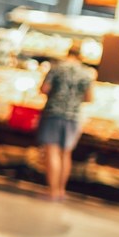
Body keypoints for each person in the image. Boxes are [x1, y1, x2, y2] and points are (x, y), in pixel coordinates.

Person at [36, 43, 96, 202]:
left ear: (68, 52)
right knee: (66, 153)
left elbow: (44, 89)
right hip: (74, 117)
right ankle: (61, 190)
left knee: (52, 151)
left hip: (54, 114)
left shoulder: (57, 68)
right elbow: (89, 98)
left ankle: (52, 191)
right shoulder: (86, 73)